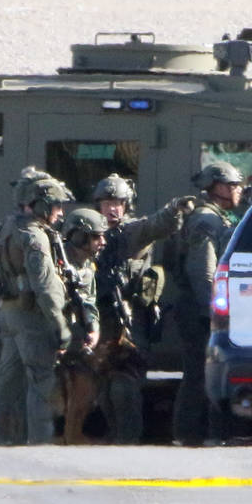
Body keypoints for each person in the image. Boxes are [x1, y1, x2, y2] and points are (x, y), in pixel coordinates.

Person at [92, 173, 196, 443]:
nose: (112, 208)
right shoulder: (90, 233)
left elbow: (157, 225)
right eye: (106, 202)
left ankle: (127, 443)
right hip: (99, 320)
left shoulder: (133, 232)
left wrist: (174, 210)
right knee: (102, 387)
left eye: (118, 202)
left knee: (124, 387)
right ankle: (113, 437)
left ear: (126, 205)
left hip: (130, 321)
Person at [0, 167, 75, 445]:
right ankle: (40, 444)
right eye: (56, 205)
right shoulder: (36, 238)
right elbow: (46, 287)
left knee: (8, 381)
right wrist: (61, 328)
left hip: (9, 313)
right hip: (31, 318)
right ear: (42, 205)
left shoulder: (9, 227)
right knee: (41, 382)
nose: (60, 212)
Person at [171, 160, 244, 446]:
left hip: (199, 307)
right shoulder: (206, 220)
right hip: (198, 308)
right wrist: (212, 313)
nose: (239, 190)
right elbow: (203, 272)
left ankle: (194, 433)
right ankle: (189, 434)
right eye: (234, 185)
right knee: (198, 375)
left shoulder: (216, 217)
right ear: (218, 187)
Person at [57, 207, 107, 443]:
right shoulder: (57, 263)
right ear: (79, 237)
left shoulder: (86, 266)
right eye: (96, 236)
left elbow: (89, 300)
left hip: (70, 335)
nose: (102, 242)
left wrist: (93, 329)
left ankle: (71, 435)